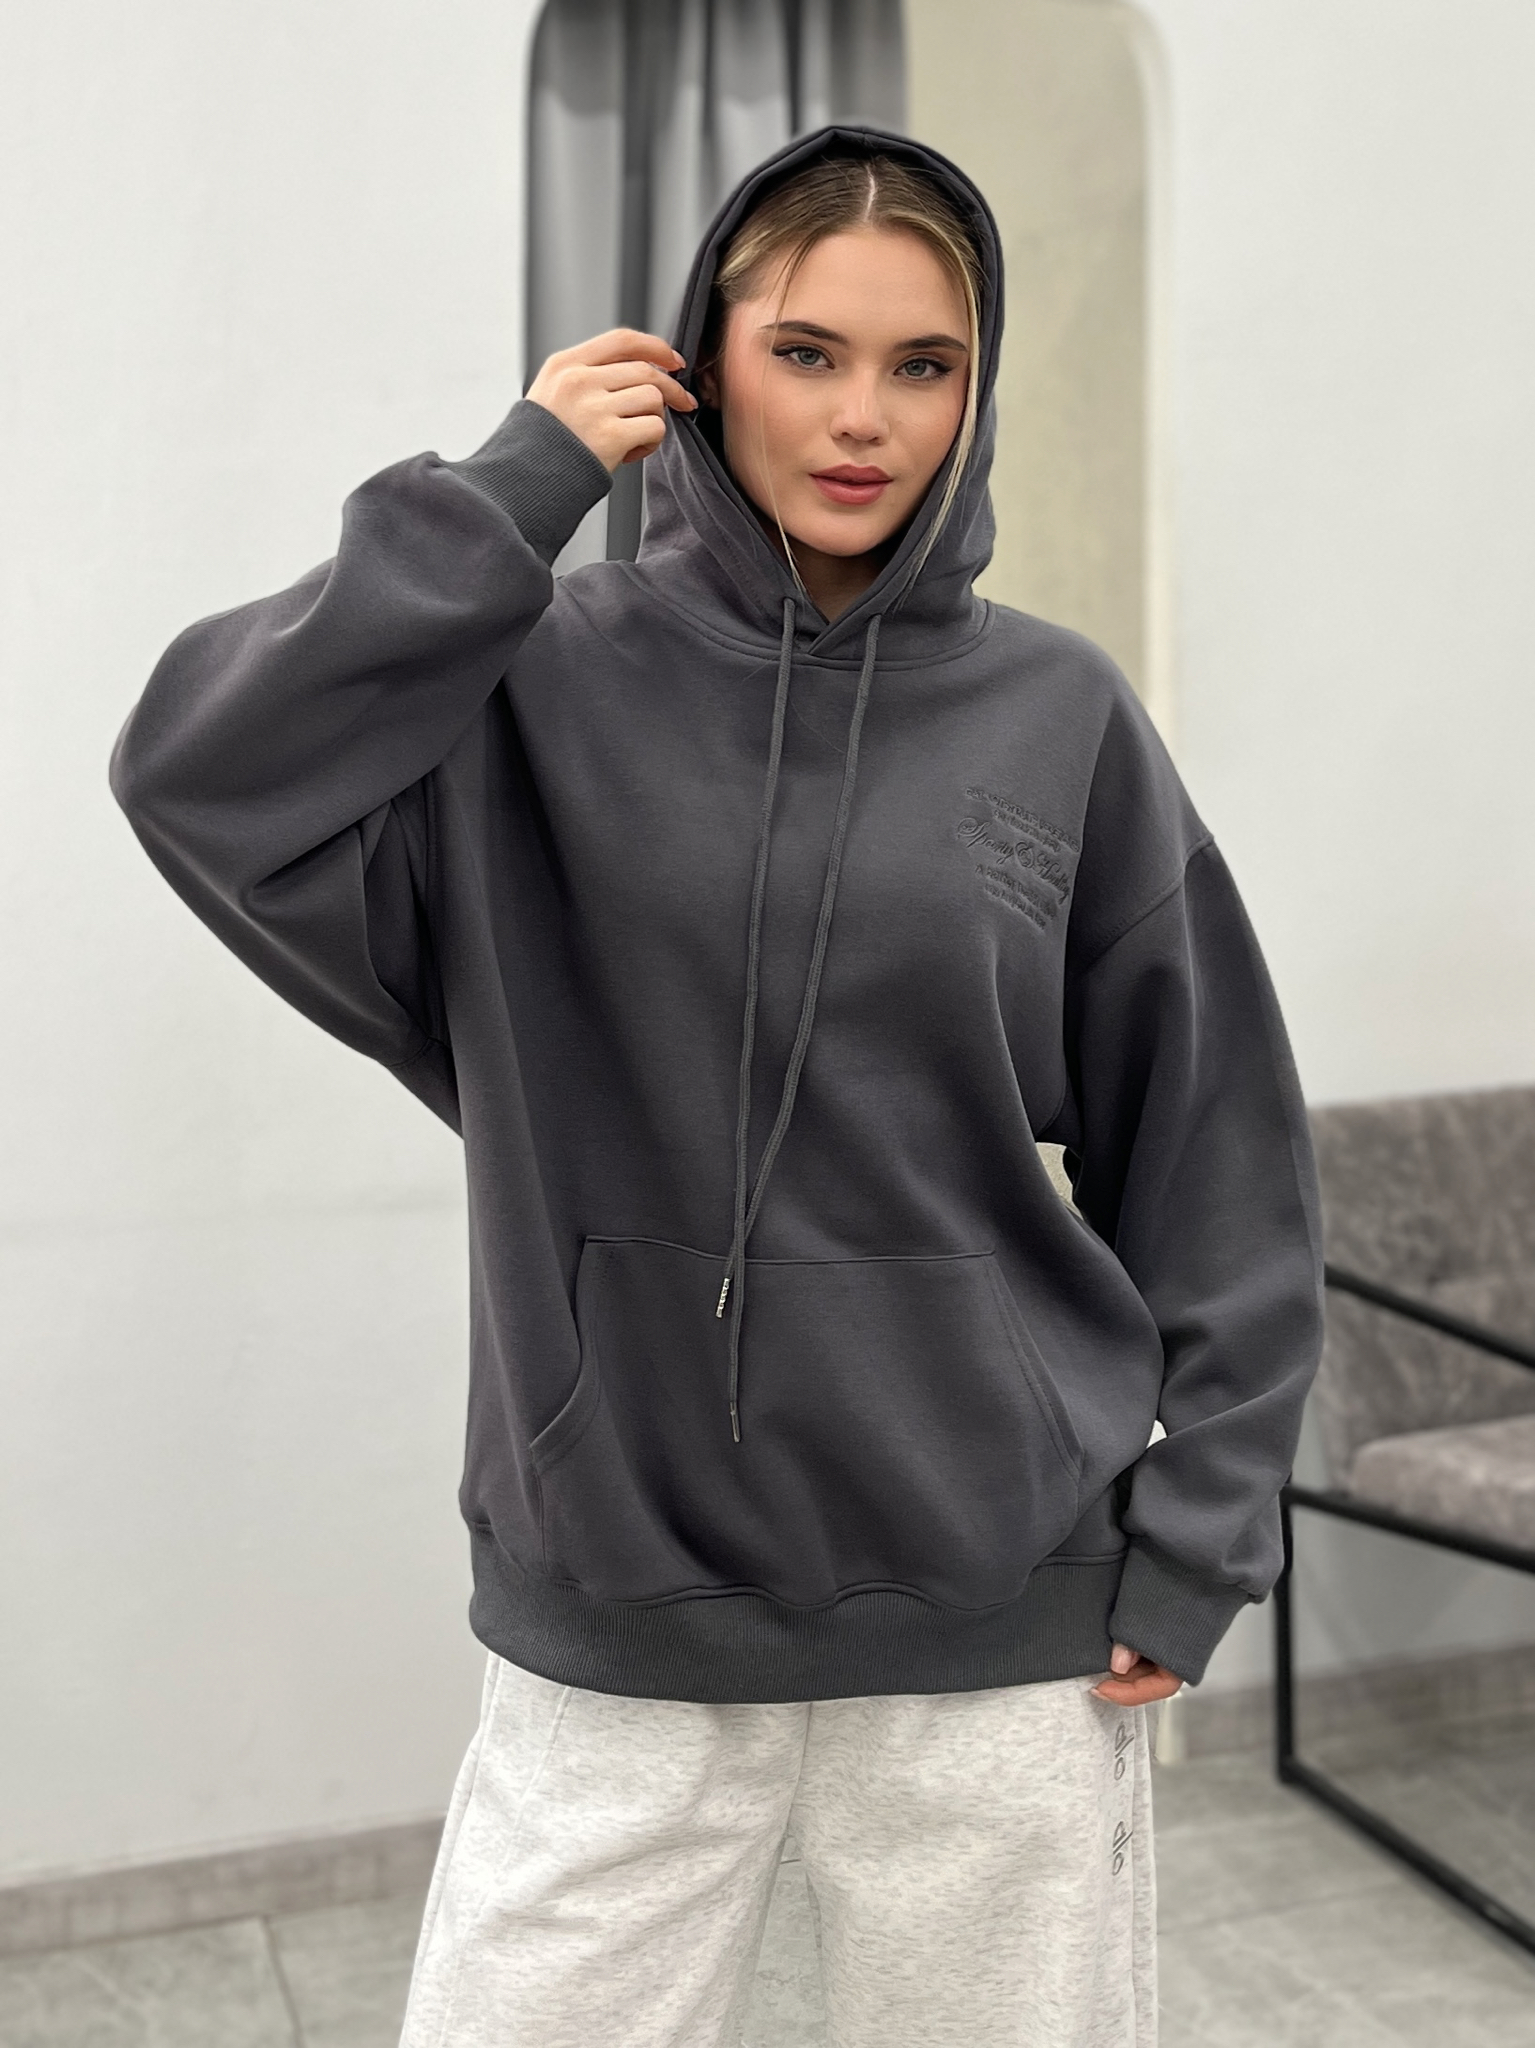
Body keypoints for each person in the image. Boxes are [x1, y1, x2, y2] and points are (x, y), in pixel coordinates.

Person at [109, 125, 1323, 2048]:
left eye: (923, 366)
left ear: (976, 395)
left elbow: (1218, 1146)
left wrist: (1203, 1540)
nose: (863, 419)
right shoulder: (529, 687)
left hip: (1001, 1632)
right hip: (621, 1620)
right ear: (700, 359)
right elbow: (201, 773)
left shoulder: (1060, 715)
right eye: (806, 351)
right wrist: (512, 491)